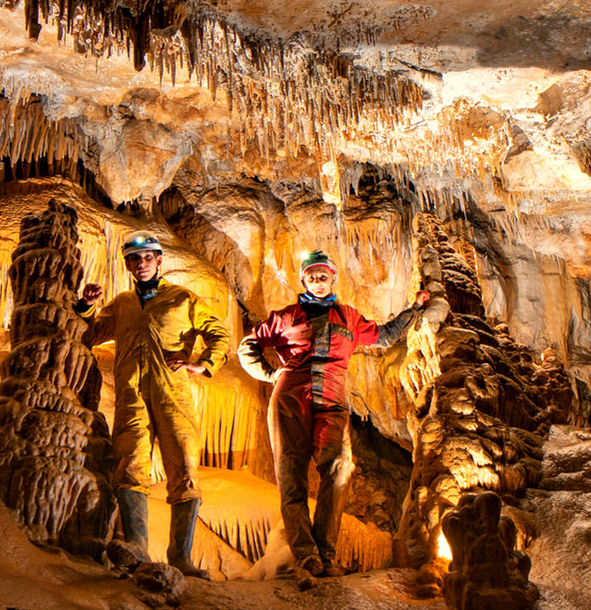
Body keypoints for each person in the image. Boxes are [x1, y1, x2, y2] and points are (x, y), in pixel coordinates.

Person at [238, 251, 432, 586]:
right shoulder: (286, 317)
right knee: (291, 473)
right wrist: (271, 375)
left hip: (331, 399)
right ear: (303, 280)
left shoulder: (349, 318)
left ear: (333, 279)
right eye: (311, 276)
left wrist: (415, 309)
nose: (317, 280)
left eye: (322, 275)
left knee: (340, 469)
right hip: (290, 400)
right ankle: (306, 553)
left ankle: (325, 552)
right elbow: (247, 346)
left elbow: (385, 336)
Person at [77, 232, 229, 577]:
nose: (141, 264)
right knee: (129, 465)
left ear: (159, 261)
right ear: (128, 264)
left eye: (147, 258)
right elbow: (89, 335)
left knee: (184, 468)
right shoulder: (122, 304)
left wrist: (202, 364)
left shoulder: (182, 299)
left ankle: (181, 558)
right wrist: (86, 307)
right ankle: (138, 551)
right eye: (134, 259)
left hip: (173, 394)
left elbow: (219, 333)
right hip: (131, 396)